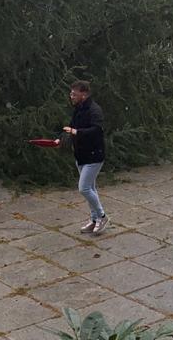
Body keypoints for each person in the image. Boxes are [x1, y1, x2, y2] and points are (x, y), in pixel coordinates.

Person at [63, 81, 109, 235]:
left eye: (74, 94)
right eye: (71, 93)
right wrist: (59, 141)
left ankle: (102, 216)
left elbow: (96, 131)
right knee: (91, 188)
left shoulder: (95, 110)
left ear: (84, 94)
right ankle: (94, 219)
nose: (71, 96)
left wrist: (77, 132)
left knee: (84, 188)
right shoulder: (78, 109)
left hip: (94, 156)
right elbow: (70, 128)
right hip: (81, 155)